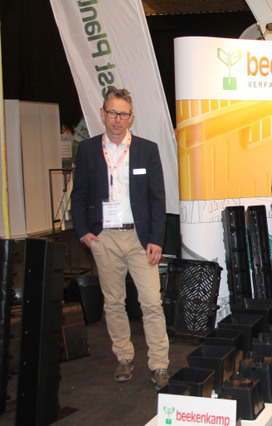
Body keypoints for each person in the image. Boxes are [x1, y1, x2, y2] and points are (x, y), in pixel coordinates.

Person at [71, 88, 170, 390]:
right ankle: (124, 357)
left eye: (123, 114)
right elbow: (79, 195)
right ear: (103, 114)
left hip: (140, 239)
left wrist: (156, 238)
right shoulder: (88, 150)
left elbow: (157, 198)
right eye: (112, 113)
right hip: (105, 238)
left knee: (152, 302)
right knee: (114, 303)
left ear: (131, 117)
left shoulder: (147, 149)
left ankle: (159, 364)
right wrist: (84, 232)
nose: (117, 119)